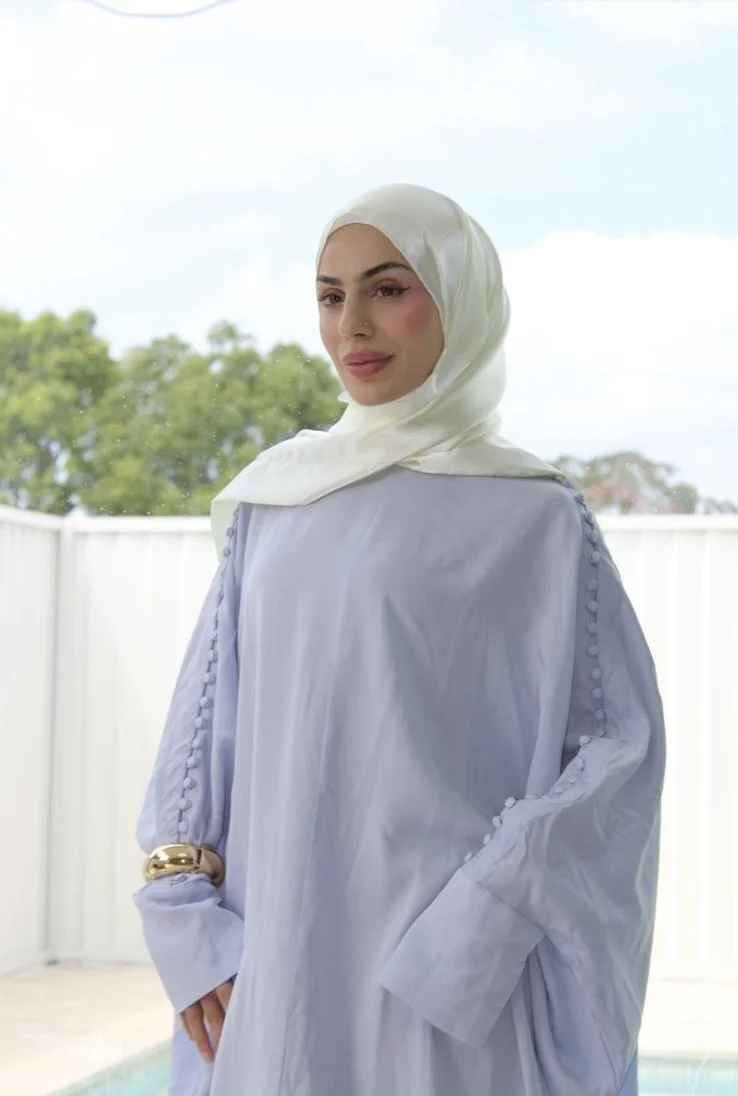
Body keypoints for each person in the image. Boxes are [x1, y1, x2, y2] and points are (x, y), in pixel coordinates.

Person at [134, 183, 666, 1096]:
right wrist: (183, 917)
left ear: (460, 299)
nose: (354, 325)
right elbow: (202, 730)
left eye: (388, 287)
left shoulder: (535, 520)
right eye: (332, 296)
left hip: (446, 993)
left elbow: (617, 754)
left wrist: (483, 923)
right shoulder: (278, 502)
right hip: (276, 973)